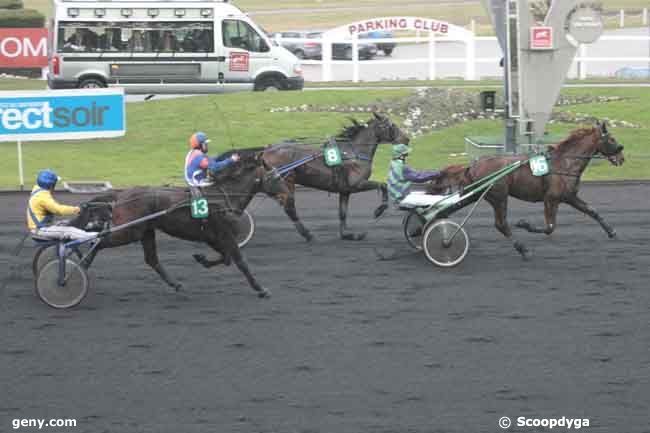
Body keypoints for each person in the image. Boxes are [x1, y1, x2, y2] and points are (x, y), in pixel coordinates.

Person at [26, 170, 92, 241]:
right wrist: (77, 209)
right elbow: (59, 210)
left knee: (69, 222)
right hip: (40, 229)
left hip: (44, 225)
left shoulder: (38, 191)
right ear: (51, 185)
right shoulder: (42, 197)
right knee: (69, 231)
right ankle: (95, 237)